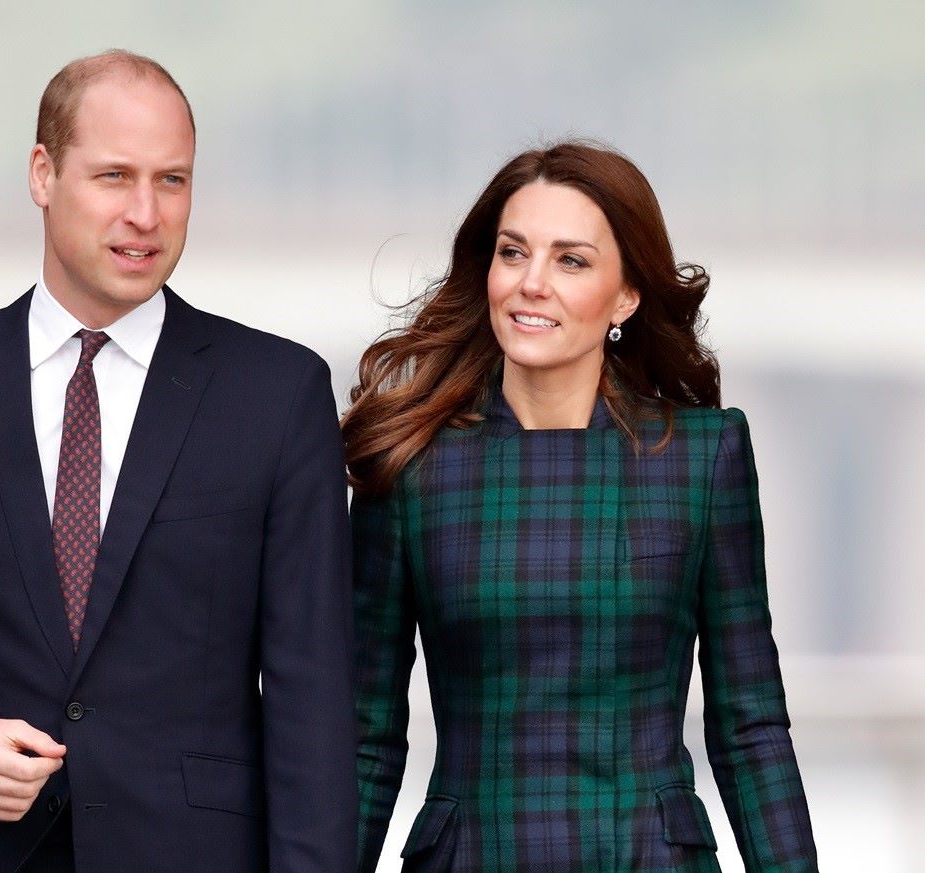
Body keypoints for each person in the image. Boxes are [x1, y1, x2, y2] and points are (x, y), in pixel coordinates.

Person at [0, 49, 356, 873]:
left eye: (172, 180)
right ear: (42, 174)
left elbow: (314, 702)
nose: (147, 214)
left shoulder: (278, 394)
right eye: (115, 176)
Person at [343, 142, 817, 872]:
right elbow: (364, 734)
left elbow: (750, 726)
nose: (532, 283)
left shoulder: (700, 457)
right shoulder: (415, 466)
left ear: (625, 294)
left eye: (570, 260)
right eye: (513, 253)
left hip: (647, 858)